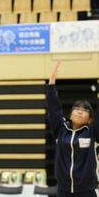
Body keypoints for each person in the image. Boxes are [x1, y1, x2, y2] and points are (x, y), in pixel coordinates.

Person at [47, 61, 99, 197]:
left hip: (87, 192)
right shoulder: (61, 130)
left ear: (90, 119)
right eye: (76, 108)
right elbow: (53, 109)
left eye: (85, 110)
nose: (80, 111)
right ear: (70, 114)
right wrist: (51, 84)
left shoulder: (93, 132)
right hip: (63, 191)